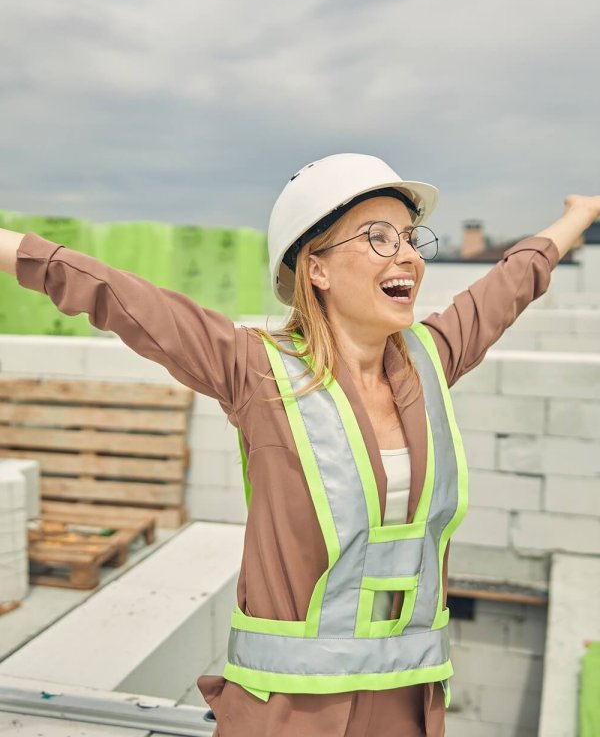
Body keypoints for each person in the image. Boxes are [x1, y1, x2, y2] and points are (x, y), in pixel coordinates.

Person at [0, 153, 598, 737]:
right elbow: (112, 293)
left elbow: (513, 283)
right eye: (379, 238)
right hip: (287, 715)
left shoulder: (430, 361)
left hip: (408, 706)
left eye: (412, 238)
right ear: (317, 268)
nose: (409, 257)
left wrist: (580, 213)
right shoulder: (255, 371)